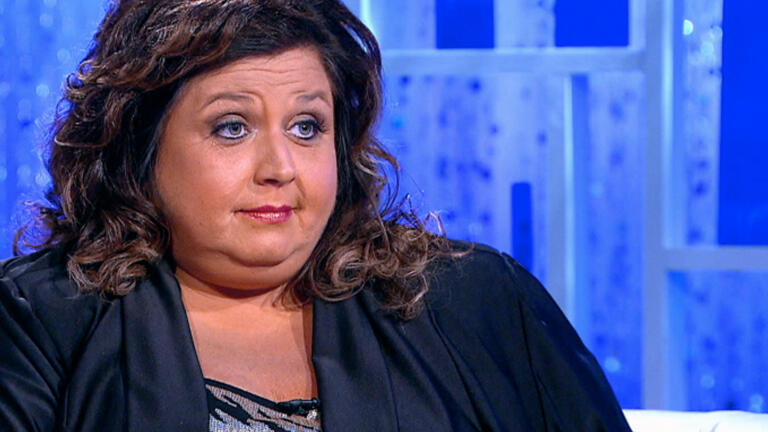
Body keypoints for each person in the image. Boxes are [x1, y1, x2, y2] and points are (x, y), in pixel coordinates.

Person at [0, 1, 632, 431]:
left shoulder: (475, 300)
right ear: (140, 148)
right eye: (232, 127)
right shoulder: (38, 322)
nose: (280, 167)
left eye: (307, 127)